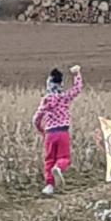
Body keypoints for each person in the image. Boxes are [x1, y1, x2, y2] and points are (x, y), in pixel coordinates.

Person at [33, 65, 83, 195]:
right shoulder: (64, 98)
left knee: (49, 159)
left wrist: (40, 129)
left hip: (50, 134)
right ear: (60, 84)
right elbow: (77, 88)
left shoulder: (46, 100)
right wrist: (77, 74)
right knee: (64, 157)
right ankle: (58, 167)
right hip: (63, 132)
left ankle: (49, 185)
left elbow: (37, 117)